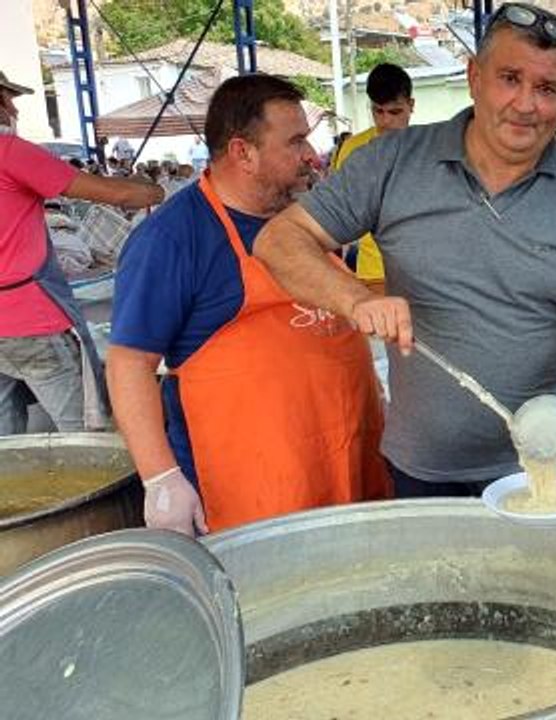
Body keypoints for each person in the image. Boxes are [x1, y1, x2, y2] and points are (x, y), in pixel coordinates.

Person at [252, 3, 556, 496]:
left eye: (546, 88)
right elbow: (280, 239)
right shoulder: (391, 163)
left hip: (542, 465)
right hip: (423, 468)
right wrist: (357, 299)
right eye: (509, 78)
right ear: (474, 77)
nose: (525, 104)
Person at [107, 74, 389, 536]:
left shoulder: (307, 220)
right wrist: (161, 478)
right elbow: (128, 364)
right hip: (254, 495)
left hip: (348, 460)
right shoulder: (173, 239)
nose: (311, 156)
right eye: (295, 142)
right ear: (243, 153)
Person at [1, 70, 163, 435]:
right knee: (85, 428)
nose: (13, 108)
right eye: (8, 99)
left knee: (5, 443)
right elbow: (117, 194)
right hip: (29, 320)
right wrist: (154, 192)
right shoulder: (11, 152)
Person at [331, 63, 416, 292]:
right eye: (378, 111)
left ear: (411, 105)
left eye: (395, 112)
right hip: (373, 273)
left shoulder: (429, 149)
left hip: (423, 274)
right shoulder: (353, 150)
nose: (385, 121)